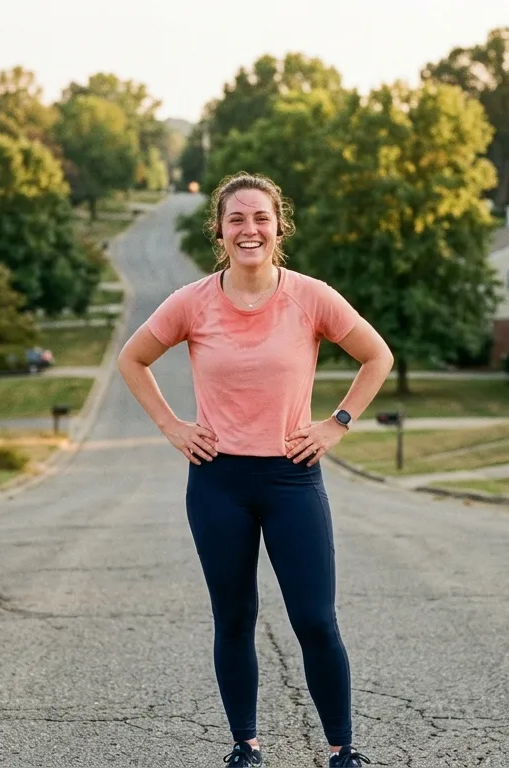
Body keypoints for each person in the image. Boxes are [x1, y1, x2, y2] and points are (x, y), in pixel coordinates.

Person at [117, 172, 394, 767]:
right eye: (237, 219)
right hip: (218, 481)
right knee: (235, 617)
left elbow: (377, 355)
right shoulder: (192, 301)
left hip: (293, 478)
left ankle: (343, 752)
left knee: (316, 620)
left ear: (278, 227)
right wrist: (172, 426)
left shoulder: (310, 296)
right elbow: (132, 358)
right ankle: (246, 745)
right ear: (219, 230)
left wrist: (336, 423)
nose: (249, 229)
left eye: (260, 218)